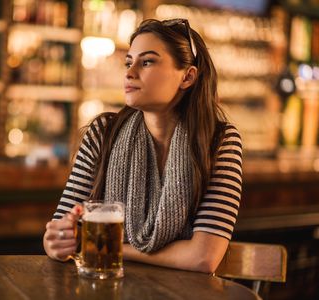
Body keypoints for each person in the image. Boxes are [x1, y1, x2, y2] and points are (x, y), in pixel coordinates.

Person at [43, 18, 242, 273]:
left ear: (188, 76)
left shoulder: (219, 141)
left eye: (147, 61)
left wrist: (106, 246)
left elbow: (203, 257)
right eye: (129, 62)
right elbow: (62, 232)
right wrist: (57, 242)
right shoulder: (103, 134)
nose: (129, 72)